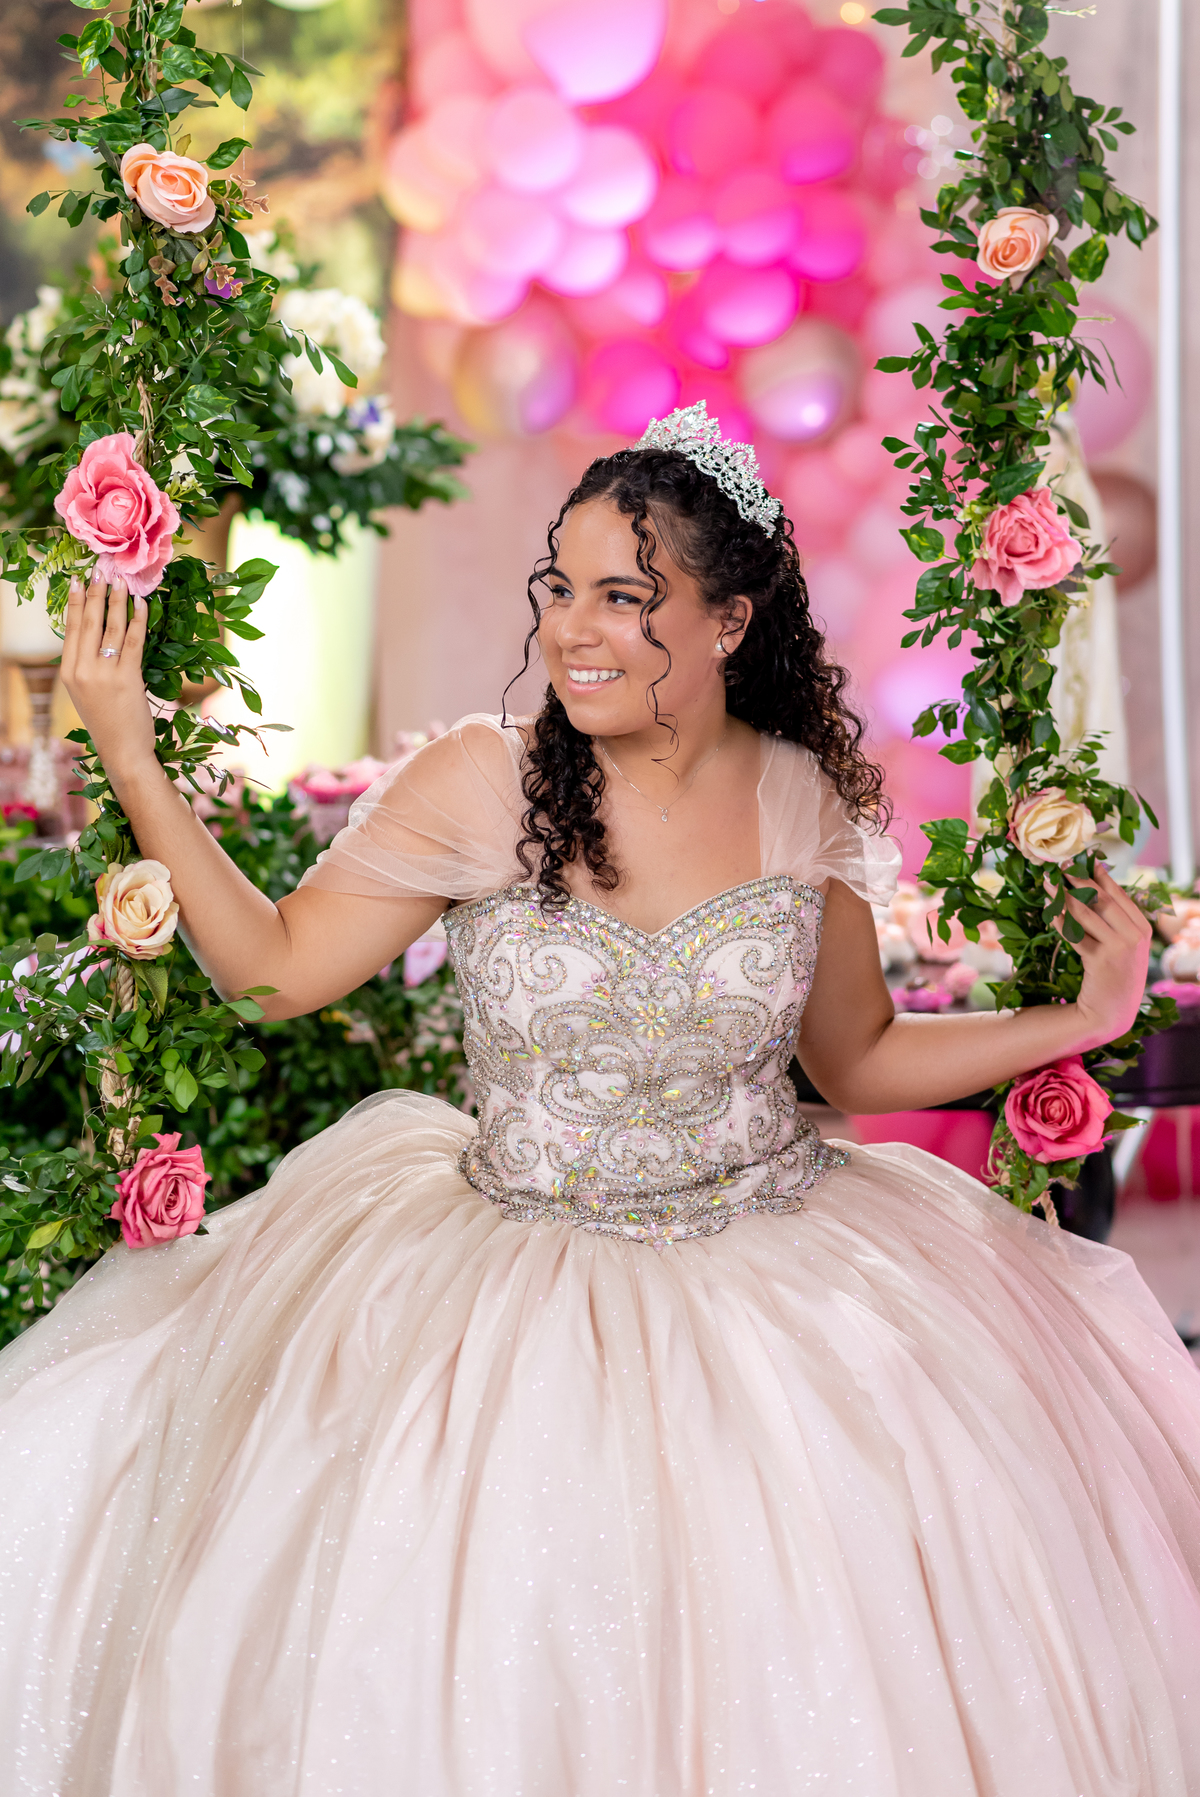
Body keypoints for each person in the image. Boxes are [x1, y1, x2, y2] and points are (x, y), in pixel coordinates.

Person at [1, 402, 1199, 1797]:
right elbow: (272, 972)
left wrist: (1078, 1020)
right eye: (559, 587)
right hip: (501, 1274)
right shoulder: (482, 781)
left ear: (730, 620)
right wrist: (131, 755)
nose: (573, 629)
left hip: (776, 1267)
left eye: (626, 597)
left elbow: (858, 1059)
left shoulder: (799, 798)